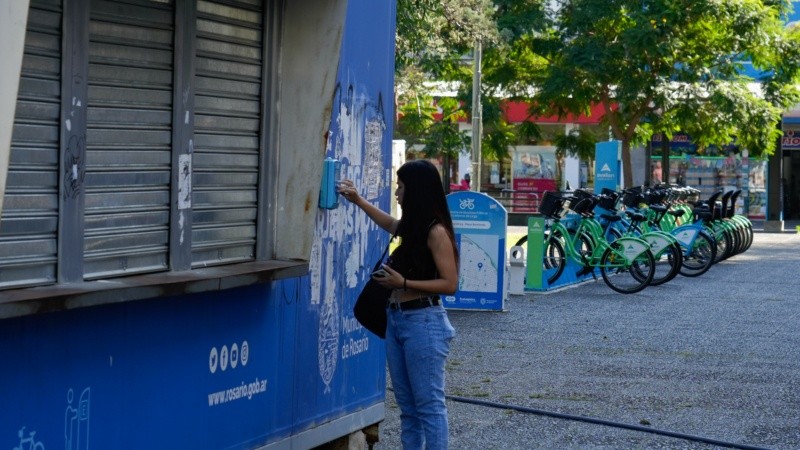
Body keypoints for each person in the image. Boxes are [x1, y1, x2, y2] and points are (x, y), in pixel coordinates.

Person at [338, 159, 459, 450]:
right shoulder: (414, 226)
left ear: (415, 190)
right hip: (397, 319)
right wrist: (358, 200)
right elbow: (390, 224)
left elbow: (450, 284)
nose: (396, 193)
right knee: (407, 407)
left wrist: (403, 283)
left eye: (401, 187)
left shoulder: (436, 231)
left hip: (423, 322)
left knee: (429, 405)